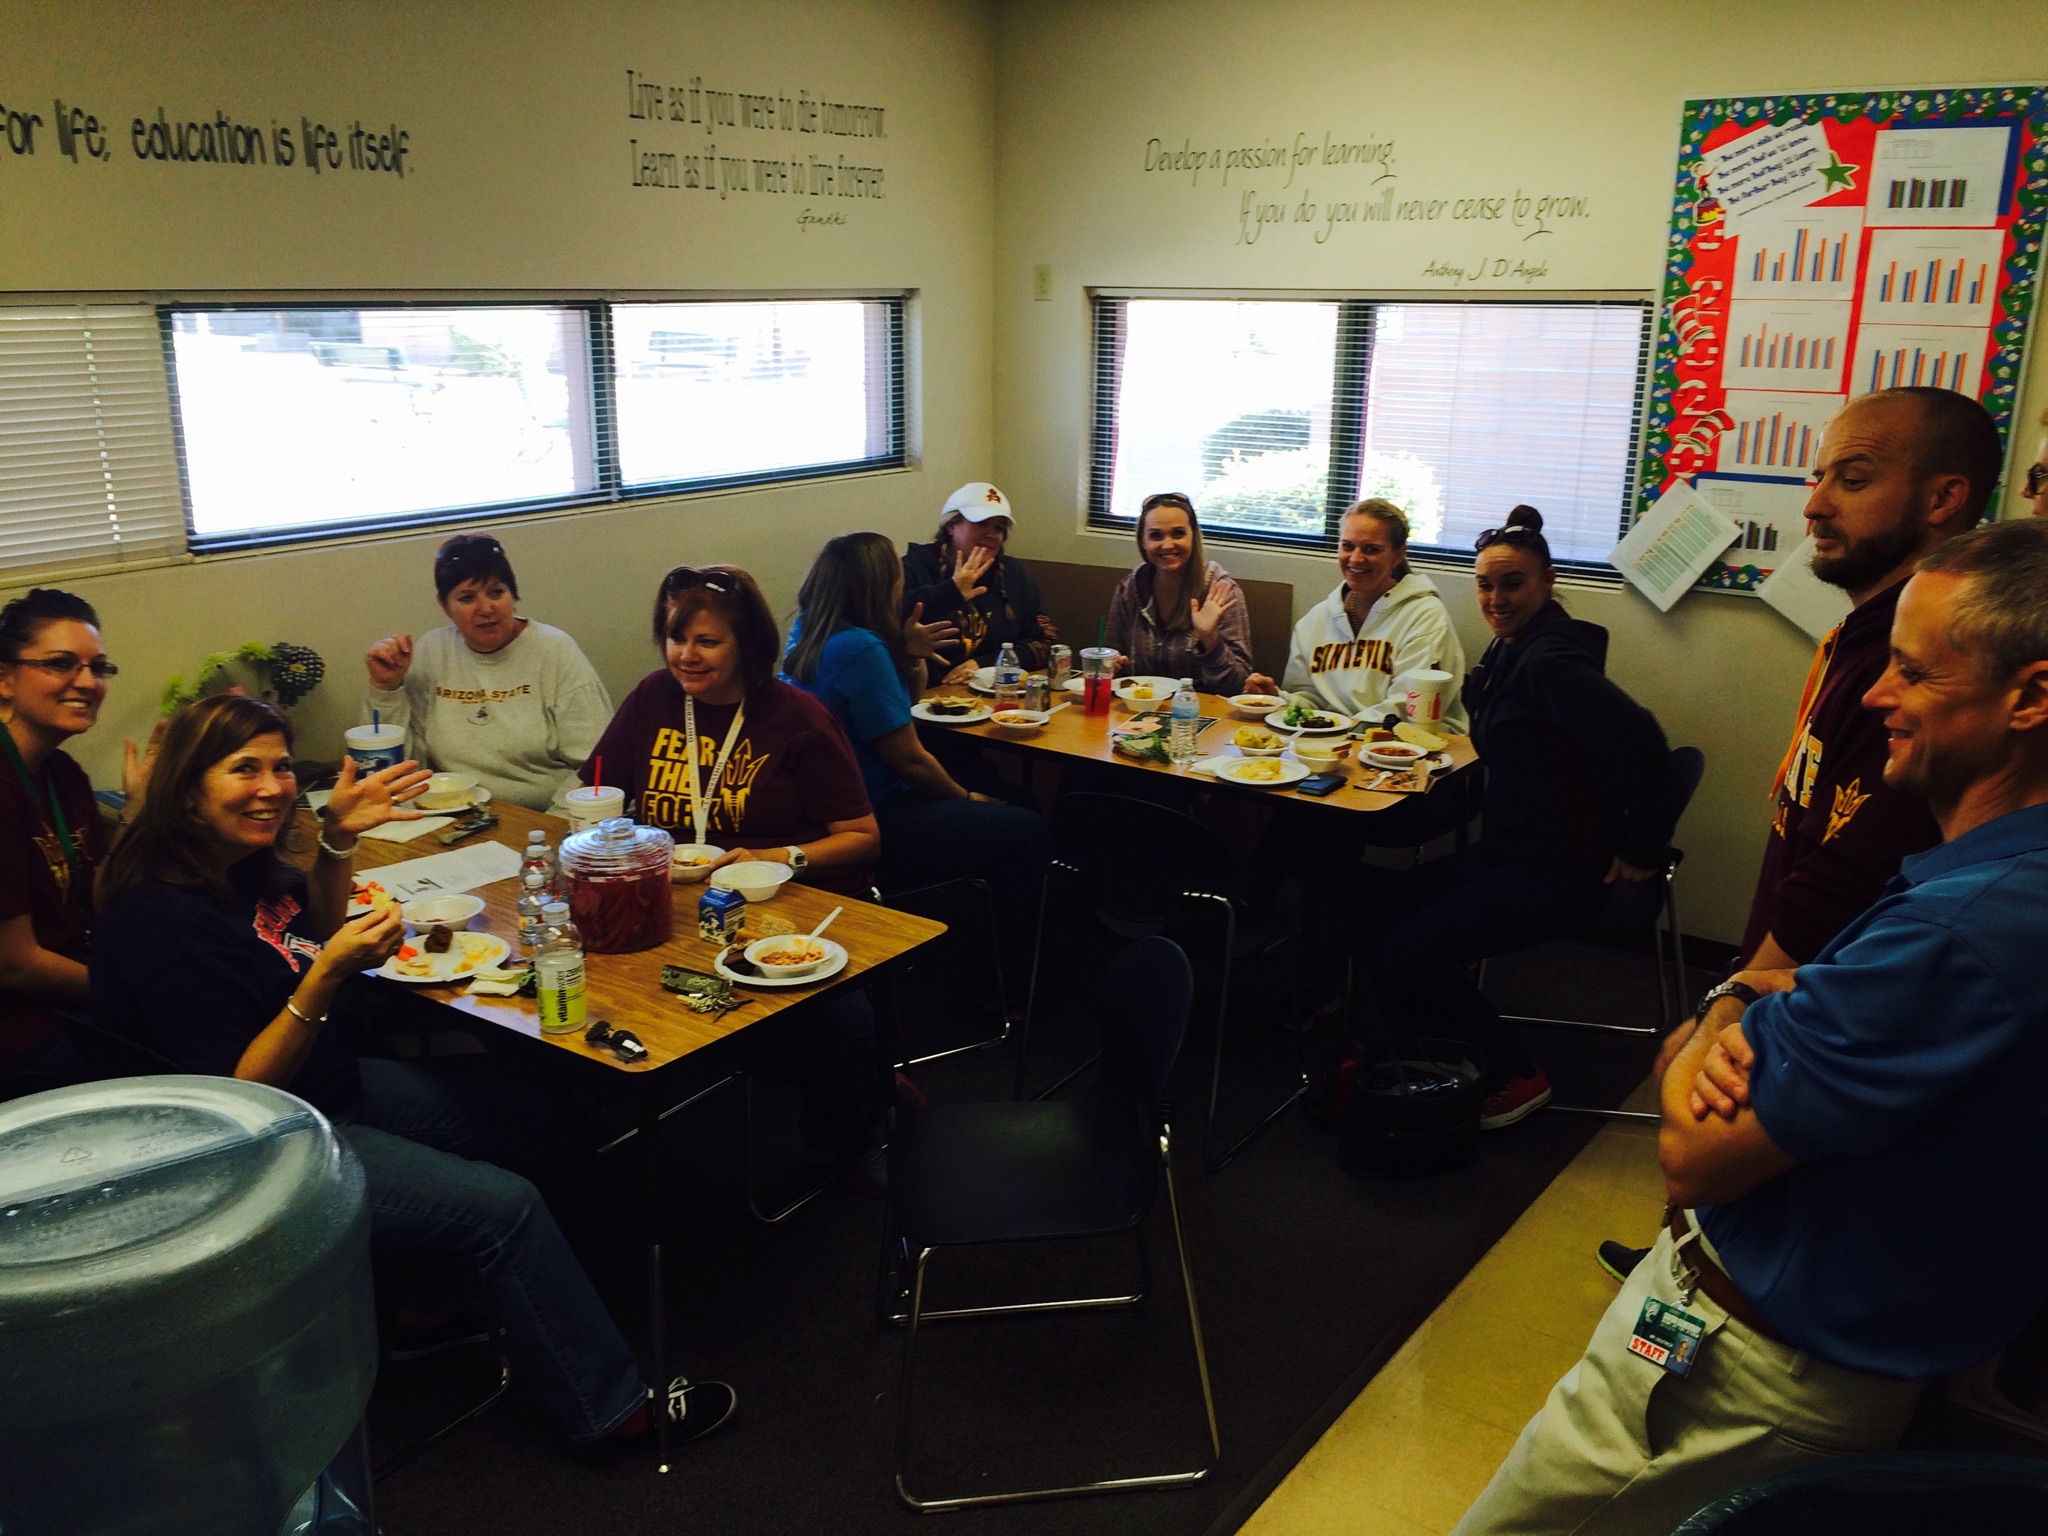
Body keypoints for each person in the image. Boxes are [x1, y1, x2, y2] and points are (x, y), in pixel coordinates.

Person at [1452, 519, 2048, 1536]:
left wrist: (1724, 1001)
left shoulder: (1961, 929)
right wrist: (1760, 994)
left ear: (2028, 697)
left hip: (1740, 1369)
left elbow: (1691, 1152)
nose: (1873, 696)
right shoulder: (1991, 888)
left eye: (1910, 673)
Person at [91, 695, 735, 1448]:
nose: (270, 787)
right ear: (187, 788)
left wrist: (334, 842)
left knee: (527, 1110)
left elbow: (313, 931)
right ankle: (616, 1412)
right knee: (507, 1208)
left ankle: (426, 1310)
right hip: (266, 1147)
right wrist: (326, 978)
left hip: (328, 1086)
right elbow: (246, 1095)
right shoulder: (163, 925)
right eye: (243, 769)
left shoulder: (232, 865)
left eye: (277, 768)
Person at [1598, 385, 1999, 1284]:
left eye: (1850, 480)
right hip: (1774, 958)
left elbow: (1855, 864)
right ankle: (1679, 1259)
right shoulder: (1862, 636)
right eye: (1818, 477)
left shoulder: (1917, 674)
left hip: (1810, 983)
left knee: (1721, 1144)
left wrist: (1736, 993)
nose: (1814, 504)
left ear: (1943, 499)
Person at [1368, 507, 1675, 1128]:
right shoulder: (1516, 643)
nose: (1495, 598)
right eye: (1485, 584)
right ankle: (1434, 1045)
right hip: (1514, 847)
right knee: (1377, 906)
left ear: (1547, 582)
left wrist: (1643, 846)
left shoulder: (1548, 660)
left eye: (1512, 584)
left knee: (1403, 952)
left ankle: (1514, 1073)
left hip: (1560, 866)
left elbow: (1645, 744)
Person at [584, 566, 887, 1185]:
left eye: (707, 642)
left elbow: (863, 837)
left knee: (842, 1019)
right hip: (672, 903)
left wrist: (781, 857)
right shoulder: (652, 698)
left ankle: (858, 1133)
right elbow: (598, 791)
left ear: (747, 645)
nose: (685, 656)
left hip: (785, 904)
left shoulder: (797, 717)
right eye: (675, 639)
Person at [782, 533, 1046, 972]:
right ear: (878, 586)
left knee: (1015, 798)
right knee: (1028, 828)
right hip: (874, 812)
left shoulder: (808, 629)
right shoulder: (860, 647)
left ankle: (968, 943)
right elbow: (909, 760)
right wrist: (966, 799)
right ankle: (996, 980)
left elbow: (897, 708)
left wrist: (911, 653)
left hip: (823, 809)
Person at [0, 589, 156, 1102]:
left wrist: (137, 811)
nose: (87, 683)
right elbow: (15, 963)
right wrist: (133, 992)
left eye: (98, 667)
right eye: (61, 664)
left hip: (70, 999)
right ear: (4, 678)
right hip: (20, 1033)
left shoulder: (62, 774)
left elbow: (105, 895)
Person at [364, 531, 613, 811]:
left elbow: (598, 766)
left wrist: (549, 828)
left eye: (497, 592)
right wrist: (386, 689)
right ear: (444, 605)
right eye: (467, 598)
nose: (486, 609)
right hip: (454, 813)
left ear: (513, 594)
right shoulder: (433, 650)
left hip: (545, 817)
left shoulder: (554, 650)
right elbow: (403, 770)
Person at [1246, 498, 1468, 731]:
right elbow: (1309, 701)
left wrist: (1337, 730)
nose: (1355, 559)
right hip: (1332, 743)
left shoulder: (1425, 616)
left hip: (1410, 745)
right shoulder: (1315, 621)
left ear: (1398, 555)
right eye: (1348, 546)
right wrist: (1277, 698)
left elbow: (1408, 707)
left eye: (1371, 549)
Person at [1103, 493, 1254, 695]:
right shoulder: (1129, 589)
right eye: (1156, 535)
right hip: (1137, 712)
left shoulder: (1221, 591)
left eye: (1178, 533)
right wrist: (1112, 666)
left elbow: (1238, 687)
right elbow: (1110, 667)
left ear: (1193, 536)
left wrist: (1209, 639)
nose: (1167, 545)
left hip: (1201, 714)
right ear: (1143, 541)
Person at [899, 482, 1056, 676]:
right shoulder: (911, 569)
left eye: (998, 528)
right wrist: (951, 591)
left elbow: (1044, 642)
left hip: (994, 690)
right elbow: (888, 622)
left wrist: (985, 665)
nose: (991, 534)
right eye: (981, 523)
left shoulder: (1013, 574)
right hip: (927, 695)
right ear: (951, 526)